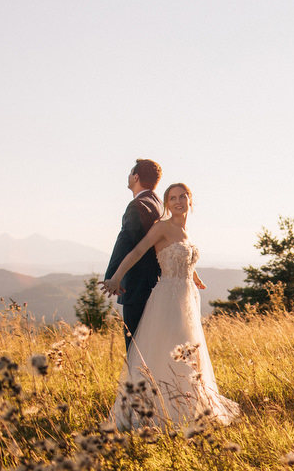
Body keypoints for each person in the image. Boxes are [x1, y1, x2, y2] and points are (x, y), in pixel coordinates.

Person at [101, 183, 240, 430]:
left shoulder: (185, 231)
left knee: (189, 353)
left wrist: (195, 277)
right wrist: (116, 276)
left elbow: (183, 258)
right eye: (172, 198)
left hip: (187, 298)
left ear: (190, 200)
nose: (178, 201)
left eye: (182, 197)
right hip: (167, 299)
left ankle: (187, 409)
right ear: (166, 204)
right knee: (169, 352)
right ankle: (157, 413)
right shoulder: (161, 228)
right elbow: (137, 251)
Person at [104, 159, 163, 351]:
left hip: (137, 288)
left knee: (136, 350)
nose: (129, 176)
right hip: (158, 285)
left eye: (130, 173)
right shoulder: (160, 205)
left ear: (136, 177)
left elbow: (126, 242)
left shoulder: (137, 205)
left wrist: (113, 276)